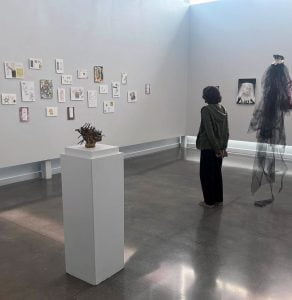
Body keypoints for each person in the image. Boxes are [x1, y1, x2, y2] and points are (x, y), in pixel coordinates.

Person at [196, 86, 229, 208]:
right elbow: (226, 131)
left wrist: (215, 148)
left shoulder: (206, 110)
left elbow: (209, 131)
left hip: (208, 147)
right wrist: (222, 148)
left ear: (206, 96)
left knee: (206, 174)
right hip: (220, 147)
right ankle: (218, 199)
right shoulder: (223, 109)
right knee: (216, 173)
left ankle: (209, 202)